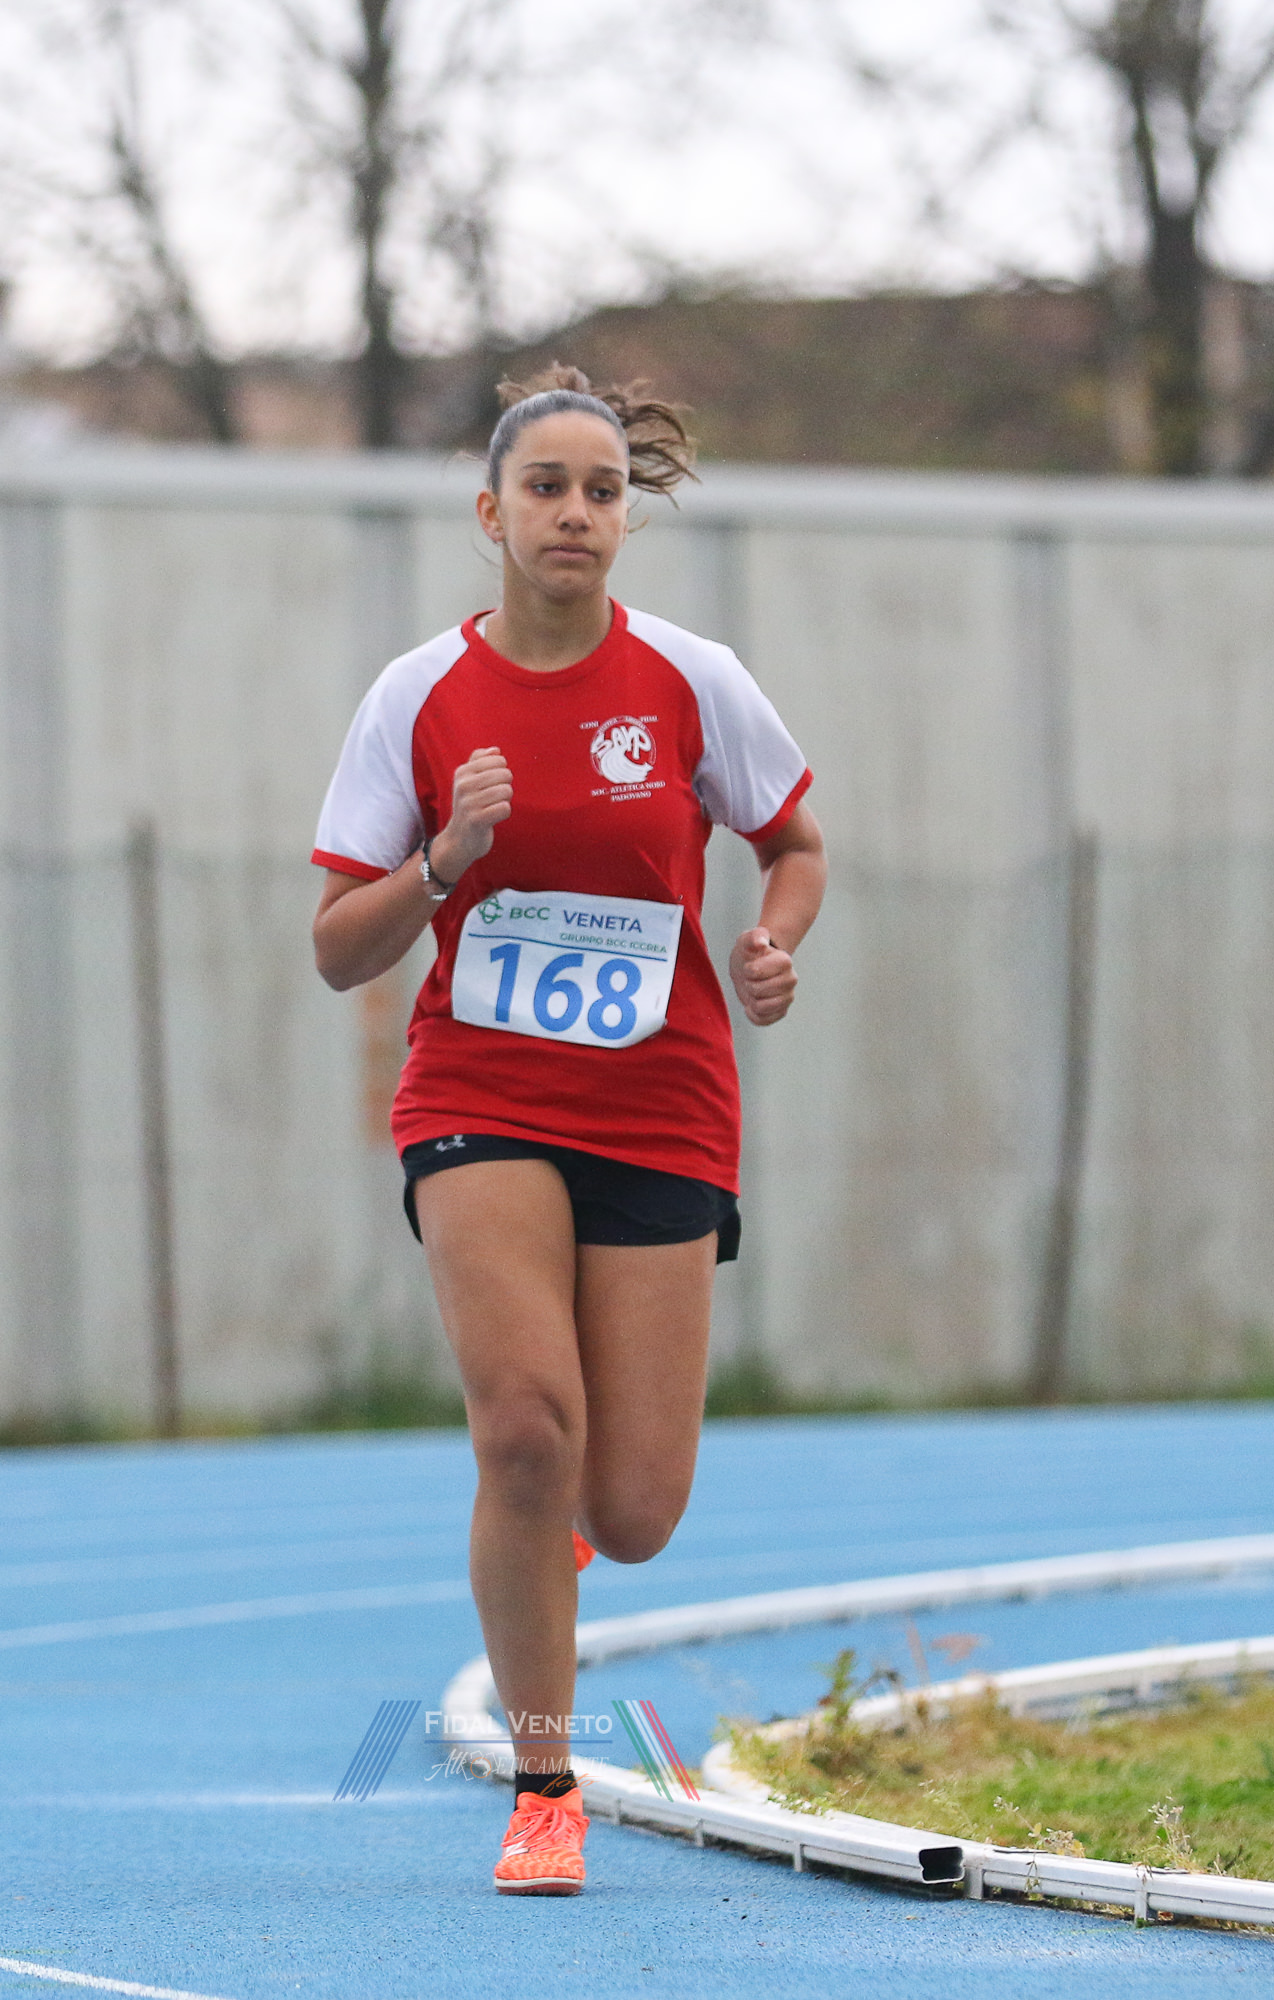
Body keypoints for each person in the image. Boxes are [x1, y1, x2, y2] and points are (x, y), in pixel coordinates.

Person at [309, 367, 826, 1895]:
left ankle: (561, 1527)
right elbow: (336, 946)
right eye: (546, 487)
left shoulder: (692, 682)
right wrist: (442, 861)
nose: (576, 514)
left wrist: (775, 940)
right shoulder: (417, 699)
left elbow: (794, 839)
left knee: (637, 1512)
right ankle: (547, 1790)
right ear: (491, 513)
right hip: (479, 1094)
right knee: (526, 1428)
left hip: (661, 1098)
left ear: (625, 518)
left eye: (603, 490)